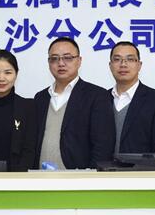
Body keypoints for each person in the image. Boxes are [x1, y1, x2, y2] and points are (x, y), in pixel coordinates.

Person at [34, 37, 115, 169]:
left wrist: (89, 176)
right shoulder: (40, 98)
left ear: (79, 61)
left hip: (79, 177)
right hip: (41, 176)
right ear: (49, 63)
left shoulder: (97, 96)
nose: (61, 63)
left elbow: (103, 146)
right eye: (54, 58)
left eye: (68, 58)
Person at [109, 41, 155, 154]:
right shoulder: (101, 99)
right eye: (117, 59)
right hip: (103, 165)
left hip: (143, 166)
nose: (123, 64)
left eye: (130, 59)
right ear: (110, 65)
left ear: (139, 65)